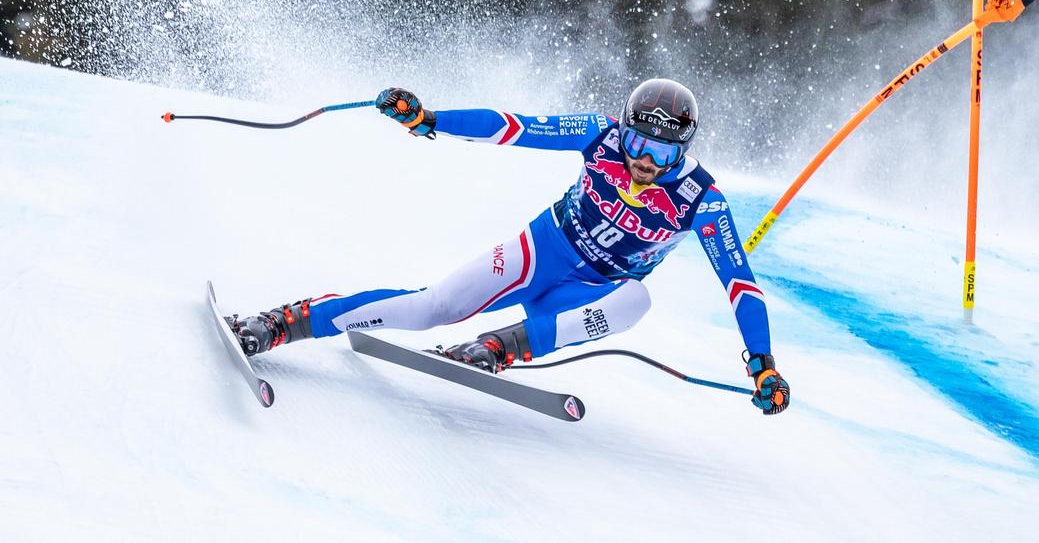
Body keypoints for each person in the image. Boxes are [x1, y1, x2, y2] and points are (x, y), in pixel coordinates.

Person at [224, 79, 790, 415]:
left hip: (589, 293)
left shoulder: (701, 198)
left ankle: (497, 348)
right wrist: (429, 120)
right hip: (540, 251)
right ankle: (281, 323)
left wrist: (762, 364)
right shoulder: (598, 134)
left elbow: (740, 285)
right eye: (638, 142)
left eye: (662, 153)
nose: (644, 160)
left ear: (682, 150)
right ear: (624, 128)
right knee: (430, 308)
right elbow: (514, 127)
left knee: (636, 301)